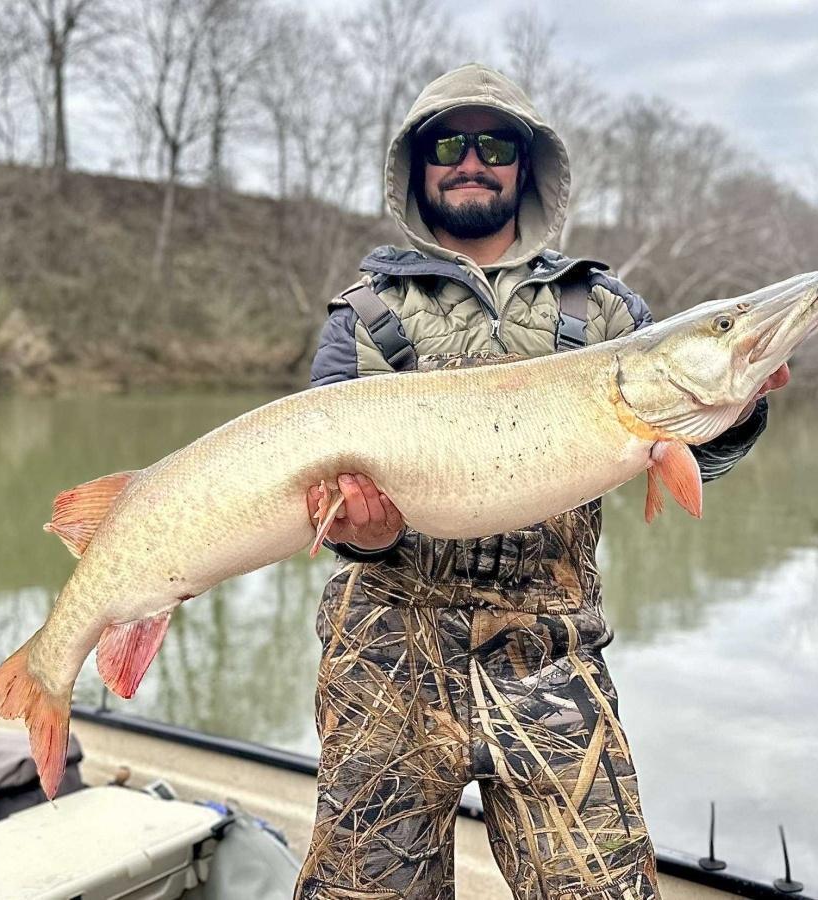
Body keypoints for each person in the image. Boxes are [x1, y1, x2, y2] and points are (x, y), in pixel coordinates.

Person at [295, 63, 788, 900]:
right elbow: (323, 506)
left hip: (552, 653)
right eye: (449, 145)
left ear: (526, 165)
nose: (471, 162)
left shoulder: (604, 310)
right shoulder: (365, 315)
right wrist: (363, 535)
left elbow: (694, 456)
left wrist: (736, 409)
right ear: (417, 165)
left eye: (495, 145)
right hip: (386, 650)